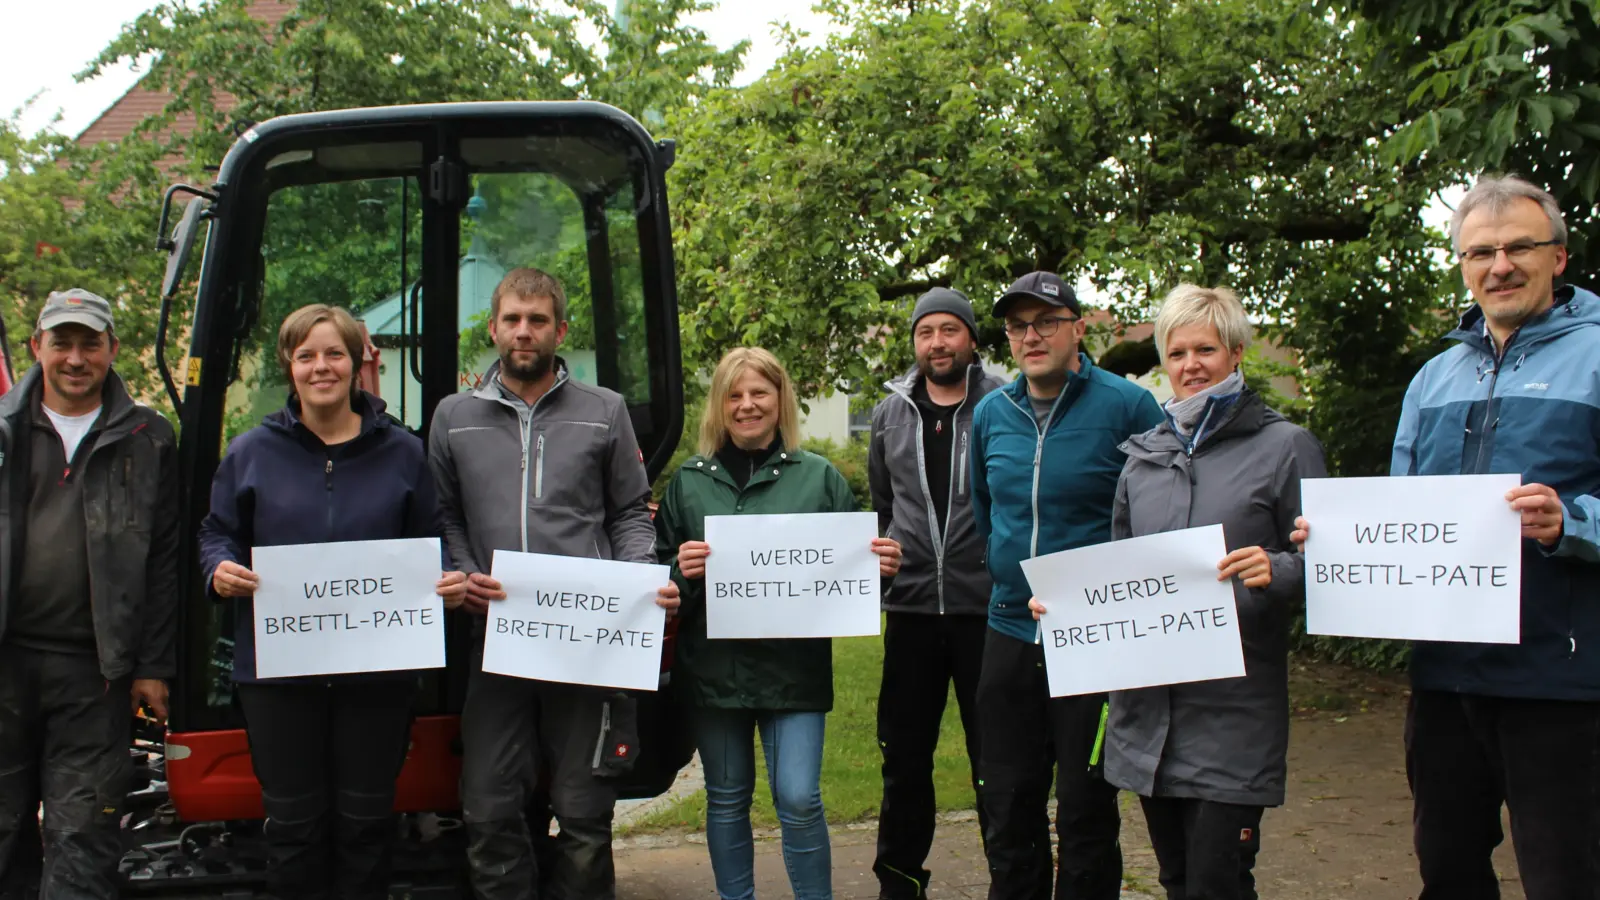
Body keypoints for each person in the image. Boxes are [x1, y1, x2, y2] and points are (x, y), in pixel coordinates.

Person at [1293, 175, 1600, 900]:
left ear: (1559, 256)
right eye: (1481, 251)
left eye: (1520, 247)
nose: (1500, 265)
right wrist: (1341, 546)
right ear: (1462, 264)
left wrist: (1573, 522)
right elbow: (1404, 511)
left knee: (1567, 876)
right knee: (1447, 869)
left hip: (1559, 678)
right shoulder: (1433, 378)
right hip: (1444, 680)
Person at [1031, 284, 1326, 899]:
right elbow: (1121, 570)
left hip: (1233, 716)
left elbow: (1331, 565)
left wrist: (1281, 569)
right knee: (1175, 880)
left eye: (1206, 349)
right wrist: (1066, 607)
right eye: (1177, 351)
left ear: (1237, 352)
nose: (1190, 365)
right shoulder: (1142, 457)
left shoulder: (1286, 447)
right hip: (1150, 719)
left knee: (1217, 882)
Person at [197, 303, 467, 899]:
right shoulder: (250, 452)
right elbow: (216, 531)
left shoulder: (403, 452)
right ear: (289, 367)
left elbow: (434, 536)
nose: (322, 367)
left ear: (358, 362)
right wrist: (219, 568)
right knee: (292, 826)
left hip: (377, 675)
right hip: (278, 676)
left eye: (334, 354)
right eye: (306, 356)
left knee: (367, 823)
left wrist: (446, 577)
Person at [429, 267, 679, 900]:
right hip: (495, 640)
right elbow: (445, 513)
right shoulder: (453, 417)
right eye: (512, 319)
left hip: (585, 644)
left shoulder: (605, 411)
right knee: (488, 810)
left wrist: (638, 584)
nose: (523, 331)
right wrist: (462, 573)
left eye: (538, 320)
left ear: (560, 330)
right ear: (493, 328)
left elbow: (629, 512)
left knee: (585, 814)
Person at [655, 346, 902, 900]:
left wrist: (880, 569)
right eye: (734, 395)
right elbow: (660, 583)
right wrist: (681, 570)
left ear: (780, 399)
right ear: (718, 405)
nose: (747, 406)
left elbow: (852, 577)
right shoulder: (687, 483)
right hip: (715, 672)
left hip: (795, 670)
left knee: (798, 797)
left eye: (759, 393)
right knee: (726, 797)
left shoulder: (817, 477)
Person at [969, 271, 1164, 900]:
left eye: (1046, 322)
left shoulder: (1128, 406)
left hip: (1092, 636)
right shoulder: (991, 413)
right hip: (1007, 628)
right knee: (1007, 797)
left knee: (1085, 807)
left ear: (1078, 328)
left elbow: (1157, 512)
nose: (1032, 336)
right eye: (1019, 325)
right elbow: (986, 513)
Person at [0, 289, 179, 899]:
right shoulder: (3, 430)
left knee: (84, 836)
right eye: (62, 343)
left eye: (90, 344)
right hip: (6, 665)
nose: (76, 358)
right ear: (36, 348)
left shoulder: (148, 437)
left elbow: (163, 561)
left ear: (112, 350)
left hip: (96, 672)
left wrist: (153, 666)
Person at [867, 287, 1004, 900]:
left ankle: (1012, 878)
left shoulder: (1005, 403)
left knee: (997, 762)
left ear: (971, 339)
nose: (937, 343)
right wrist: (885, 552)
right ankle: (899, 882)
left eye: (950, 330)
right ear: (915, 342)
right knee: (904, 760)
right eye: (926, 332)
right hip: (913, 610)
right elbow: (883, 506)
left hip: (987, 611)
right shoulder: (889, 414)